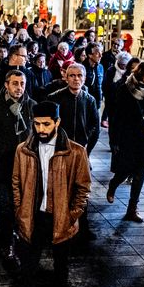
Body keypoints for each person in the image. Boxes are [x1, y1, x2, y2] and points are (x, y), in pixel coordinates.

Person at [0, 101, 91, 287]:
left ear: (57, 122)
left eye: (46, 124)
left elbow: (83, 187)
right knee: (26, 273)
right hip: (33, 219)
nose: (41, 129)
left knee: (60, 267)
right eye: (36, 124)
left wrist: (72, 215)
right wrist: (20, 210)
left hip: (61, 220)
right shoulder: (23, 150)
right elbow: (16, 182)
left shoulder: (75, 151)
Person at [0, 70, 35, 264]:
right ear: (6, 85)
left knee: (23, 204)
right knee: (6, 206)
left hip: (26, 167)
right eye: (15, 83)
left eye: (22, 83)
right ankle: (8, 242)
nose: (19, 87)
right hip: (3, 166)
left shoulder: (31, 106)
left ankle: (20, 233)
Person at [48, 63, 99, 241]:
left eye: (79, 75)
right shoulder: (56, 98)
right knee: (59, 188)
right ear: (66, 77)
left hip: (82, 152)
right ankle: (56, 225)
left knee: (81, 189)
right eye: (72, 75)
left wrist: (86, 147)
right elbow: (50, 123)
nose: (76, 79)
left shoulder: (89, 99)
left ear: (84, 78)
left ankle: (82, 227)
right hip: (61, 150)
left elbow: (94, 125)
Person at [107, 61, 144, 222]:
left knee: (139, 173)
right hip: (128, 135)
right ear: (140, 73)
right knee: (124, 170)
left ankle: (132, 209)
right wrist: (115, 140)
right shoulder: (125, 88)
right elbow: (116, 115)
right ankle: (113, 185)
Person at [82, 42, 104, 107]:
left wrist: (99, 101)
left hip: (96, 101)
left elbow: (100, 85)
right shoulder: (82, 68)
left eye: (101, 52)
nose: (101, 56)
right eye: (97, 53)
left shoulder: (100, 67)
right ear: (90, 55)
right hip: (84, 102)